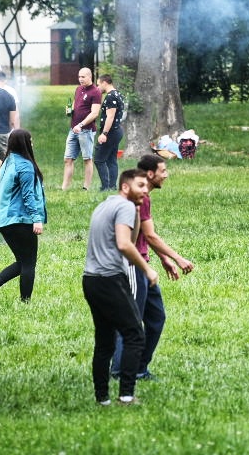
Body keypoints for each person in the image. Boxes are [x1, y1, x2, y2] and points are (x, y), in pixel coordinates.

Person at [110, 153, 194, 381]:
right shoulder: (140, 197)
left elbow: (145, 236)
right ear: (150, 174)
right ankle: (120, 370)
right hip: (132, 265)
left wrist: (163, 259)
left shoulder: (143, 196)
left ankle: (139, 368)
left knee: (156, 318)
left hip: (142, 264)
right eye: (163, 171)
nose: (166, 175)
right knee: (131, 320)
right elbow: (150, 235)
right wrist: (178, 258)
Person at [82, 169, 157, 406]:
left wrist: (137, 213)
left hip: (91, 280)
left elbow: (130, 239)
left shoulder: (105, 205)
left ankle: (102, 398)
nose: (145, 190)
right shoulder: (124, 206)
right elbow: (125, 245)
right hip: (110, 279)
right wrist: (147, 269)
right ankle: (126, 395)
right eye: (140, 185)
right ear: (126, 187)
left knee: (104, 341)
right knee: (135, 335)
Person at [0, 128, 47, 302]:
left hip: (4, 220)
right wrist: (37, 219)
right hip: (20, 219)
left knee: (22, 262)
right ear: (25, 143)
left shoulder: (7, 162)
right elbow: (28, 195)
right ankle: (25, 302)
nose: (32, 144)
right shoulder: (25, 166)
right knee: (29, 264)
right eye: (30, 141)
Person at [63, 67, 102, 191]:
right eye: (79, 76)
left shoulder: (96, 92)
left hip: (86, 130)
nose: (80, 79)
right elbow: (75, 105)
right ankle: (64, 188)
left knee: (87, 159)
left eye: (83, 77)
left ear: (90, 77)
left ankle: (86, 188)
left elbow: (94, 113)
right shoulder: (78, 89)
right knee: (68, 159)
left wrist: (80, 125)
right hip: (73, 129)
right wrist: (70, 110)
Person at [93, 74, 126, 191]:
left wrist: (104, 133)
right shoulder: (118, 94)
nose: (98, 88)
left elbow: (110, 117)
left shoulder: (111, 96)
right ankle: (112, 186)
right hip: (117, 131)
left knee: (99, 160)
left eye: (98, 85)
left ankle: (105, 187)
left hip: (111, 132)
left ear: (104, 83)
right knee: (112, 160)